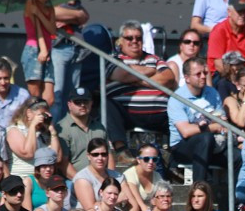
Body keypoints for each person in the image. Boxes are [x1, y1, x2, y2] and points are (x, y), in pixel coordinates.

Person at [105, 20, 176, 163]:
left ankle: (173, 159)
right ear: (120, 41)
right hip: (128, 113)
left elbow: (168, 78)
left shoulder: (154, 59)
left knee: (178, 110)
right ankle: (121, 150)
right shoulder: (112, 59)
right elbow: (124, 74)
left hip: (160, 113)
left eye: (138, 38)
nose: (134, 41)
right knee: (107, 104)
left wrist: (136, 79)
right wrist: (151, 71)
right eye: (129, 38)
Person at [168, 57, 231, 186]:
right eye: (198, 74)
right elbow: (185, 131)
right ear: (187, 78)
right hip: (183, 146)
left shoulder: (212, 93)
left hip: (213, 144)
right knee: (205, 138)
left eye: (205, 73)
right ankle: (199, 189)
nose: (203, 77)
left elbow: (222, 120)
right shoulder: (177, 98)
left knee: (237, 157)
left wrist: (218, 125)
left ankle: (235, 202)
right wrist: (214, 127)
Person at [5, 97, 63, 185]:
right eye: (41, 114)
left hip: (43, 181)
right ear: (29, 113)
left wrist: (52, 131)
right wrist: (32, 127)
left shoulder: (43, 133)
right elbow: (28, 153)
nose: (43, 118)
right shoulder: (14, 130)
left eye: (45, 115)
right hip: (22, 180)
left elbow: (56, 158)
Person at [72, 138, 134, 211]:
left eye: (103, 154)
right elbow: (90, 209)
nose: (100, 158)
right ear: (88, 156)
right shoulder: (82, 179)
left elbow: (133, 205)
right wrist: (116, 200)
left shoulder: (118, 176)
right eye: (95, 154)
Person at [55, 86, 108, 174]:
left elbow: (108, 155)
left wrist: (109, 180)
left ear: (91, 103)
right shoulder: (61, 128)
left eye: (85, 101)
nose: (82, 105)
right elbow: (62, 163)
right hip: (72, 181)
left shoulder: (99, 127)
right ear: (69, 104)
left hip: (101, 178)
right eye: (78, 102)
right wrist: (81, 180)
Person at [123, 144, 163, 211]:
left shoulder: (157, 176)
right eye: (146, 159)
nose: (151, 162)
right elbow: (140, 203)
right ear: (138, 160)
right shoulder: (129, 174)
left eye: (154, 159)